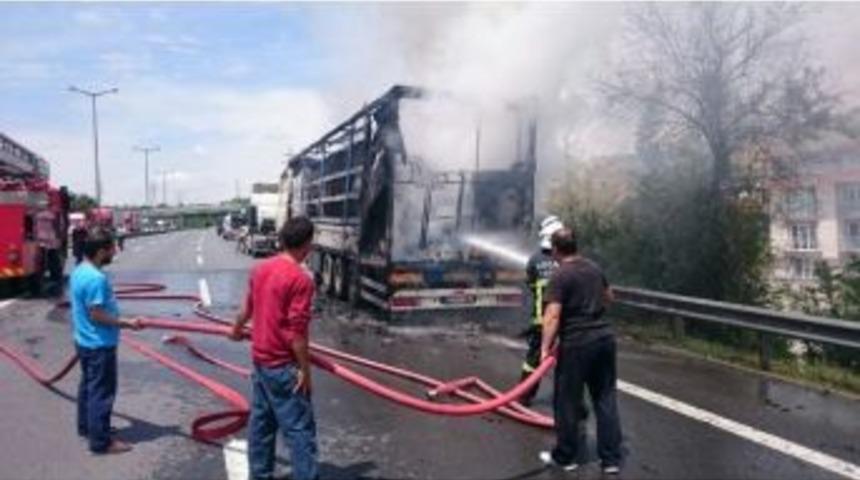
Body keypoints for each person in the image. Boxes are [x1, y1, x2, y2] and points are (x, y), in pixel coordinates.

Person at [230, 216, 319, 480]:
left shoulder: (261, 269)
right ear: (307, 245)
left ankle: (260, 475)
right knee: (300, 431)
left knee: (262, 425)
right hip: (283, 366)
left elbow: (247, 309)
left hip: (260, 362)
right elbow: (297, 335)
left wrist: (235, 330)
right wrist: (305, 370)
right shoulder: (301, 280)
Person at [538, 228, 623, 475]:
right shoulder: (594, 268)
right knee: (605, 399)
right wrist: (594, 312)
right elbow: (609, 296)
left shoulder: (560, 275)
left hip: (577, 344)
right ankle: (611, 460)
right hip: (605, 340)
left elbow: (552, 315)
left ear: (555, 249)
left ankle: (565, 457)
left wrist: (545, 348)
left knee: (567, 402)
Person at [70, 226, 143, 454]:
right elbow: (97, 314)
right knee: (102, 393)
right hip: (99, 344)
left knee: (88, 389)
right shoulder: (96, 279)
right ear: (101, 251)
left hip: (84, 341)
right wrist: (127, 323)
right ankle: (101, 442)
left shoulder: (79, 270)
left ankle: (87, 428)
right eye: (112, 249)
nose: (115, 253)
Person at [519, 215, 564, 406]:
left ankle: (524, 396)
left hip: (541, 321)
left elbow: (529, 284)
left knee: (533, 361)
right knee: (569, 363)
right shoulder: (567, 260)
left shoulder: (534, 260)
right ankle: (575, 404)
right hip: (567, 322)